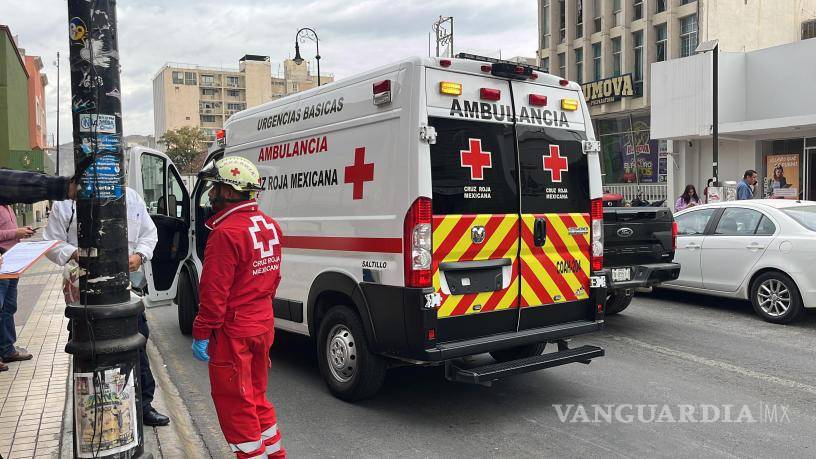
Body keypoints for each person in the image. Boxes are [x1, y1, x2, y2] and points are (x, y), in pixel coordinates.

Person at [43, 187, 170, 427]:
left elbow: (149, 232)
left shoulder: (131, 196)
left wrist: (140, 255)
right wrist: (73, 253)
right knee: (88, 348)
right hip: (85, 290)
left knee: (138, 342)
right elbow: (50, 242)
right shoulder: (66, 202)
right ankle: (93, 408)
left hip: (123, 288)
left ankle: (143, 406)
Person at [191, 156, 285, 458]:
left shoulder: (226, 233)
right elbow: (273, 279)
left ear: (230, 191)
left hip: (234, 332)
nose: (212, 193)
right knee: (256, 397)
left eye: (216, 187)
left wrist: (202, 331)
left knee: (236, 403)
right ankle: (275, 454)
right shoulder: (270, 226)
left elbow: (214, 294)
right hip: (261, 324)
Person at [0, 205, 35, 372]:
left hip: (12, 263)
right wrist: (16, 233)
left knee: (8, 308)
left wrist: (22, 232)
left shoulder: (8, 206)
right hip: (1, 262)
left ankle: (7, 350)